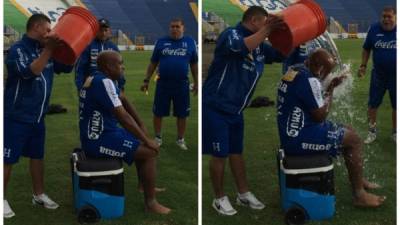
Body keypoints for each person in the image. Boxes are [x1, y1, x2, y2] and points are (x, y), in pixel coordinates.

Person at [202, 6, 285, 215]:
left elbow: (279, 54)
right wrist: (267, 31)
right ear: (255, 21)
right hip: (216, 106)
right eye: (265, 22)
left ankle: (243, 193)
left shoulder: (259, 44)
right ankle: (219, 198)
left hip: (236, 110)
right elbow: (240, 48)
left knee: (236, 152)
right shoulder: (231, 34)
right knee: (219, 154)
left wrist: (294, 38)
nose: (267, 26)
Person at [277, 49, 386, 208]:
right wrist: (331, 88)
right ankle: (359, 195)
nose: (326, 75)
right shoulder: (308, 80)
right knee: (354, 141)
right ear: (319, 67)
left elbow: (309, 97)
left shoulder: (295, 69)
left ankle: (358, 178)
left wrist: (329, 83)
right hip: (300, 138)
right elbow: (321, 115)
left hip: (293, 132)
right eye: (327, 71)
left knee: (348, 130)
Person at [79, 51, 170, 214]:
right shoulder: (104, 82)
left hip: (106, 133)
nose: (123, 67)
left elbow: (123, 98)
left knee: (141, 145)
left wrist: (141, 125)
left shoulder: (98, 77)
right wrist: (147, 139)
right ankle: (150, 203)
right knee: (149, 152)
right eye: (120, 64)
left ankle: (144, 185)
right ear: (108, 67)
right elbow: (122, 116)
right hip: (98, 140)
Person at [4, 14, 73, 218]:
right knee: (6, 159)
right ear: (35, 27)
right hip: (16, 115)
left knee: (37, 157)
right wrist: (49, 49)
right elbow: (30, 72)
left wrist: (74, 44)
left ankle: (39, 194)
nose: (50, 33)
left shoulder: (45, 49)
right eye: (47, 29)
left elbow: (66, 67)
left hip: (37, 117)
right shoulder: (18, 49)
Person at [141, 18, 198, 150]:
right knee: (158, 112)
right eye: (172, 27)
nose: (174, 29)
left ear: (183, 28)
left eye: (177, 27)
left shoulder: (190, 42)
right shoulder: (161, 42)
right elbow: (153, 63)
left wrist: (196, 81)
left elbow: (194, 64)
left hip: (182, 85)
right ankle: (158, 137)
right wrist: (146, 80)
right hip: (163, 84)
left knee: (182, 114)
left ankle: (180, 139)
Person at [358, 6, 396, 144]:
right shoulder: (374, 29)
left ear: (395, 17)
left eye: (389, 17)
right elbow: (366, 49)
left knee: (396, 105)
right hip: (378, 75)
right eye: (384, 16)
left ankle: (395, 132)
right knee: (373, 104)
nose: (386, 19)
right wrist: (363, 65)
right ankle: (372, 131)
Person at [75, 18, 125, 91]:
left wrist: (121, 86)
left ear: (109, 31)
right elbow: (80, 68)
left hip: (110, 87)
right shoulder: (88, 46)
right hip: (92, 87)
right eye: (101, 30)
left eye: (105, 30)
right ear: (96, 31)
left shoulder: (114, 47)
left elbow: (120, 68)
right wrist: (80, 87)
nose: (103, 33)